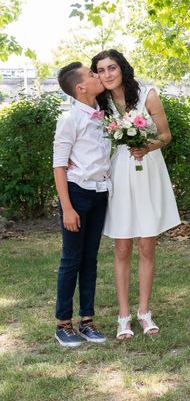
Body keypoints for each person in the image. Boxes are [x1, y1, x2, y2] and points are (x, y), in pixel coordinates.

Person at [93, 49, 180, 340]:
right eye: (101, 70)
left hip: (147, 169)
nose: (107, 74)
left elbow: (166, 136)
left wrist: (146, 147)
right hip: (118, 172)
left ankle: (144, 312)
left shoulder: (147, 94)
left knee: (146, 245)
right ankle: (123, 316)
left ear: (122, 68)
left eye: (112, 68)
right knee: (121, 247)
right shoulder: (100, 101)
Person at [53, 62, 111, 346]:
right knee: (71, 260)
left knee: (90, 260)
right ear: (81, 88)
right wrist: (67, 208)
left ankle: (87, 320)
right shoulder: (69, 119)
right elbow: (59, 166)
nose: (97, 76)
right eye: (92, 75)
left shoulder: (103, 116)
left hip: (100, 195)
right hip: (77, 194)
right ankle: (63, 323)